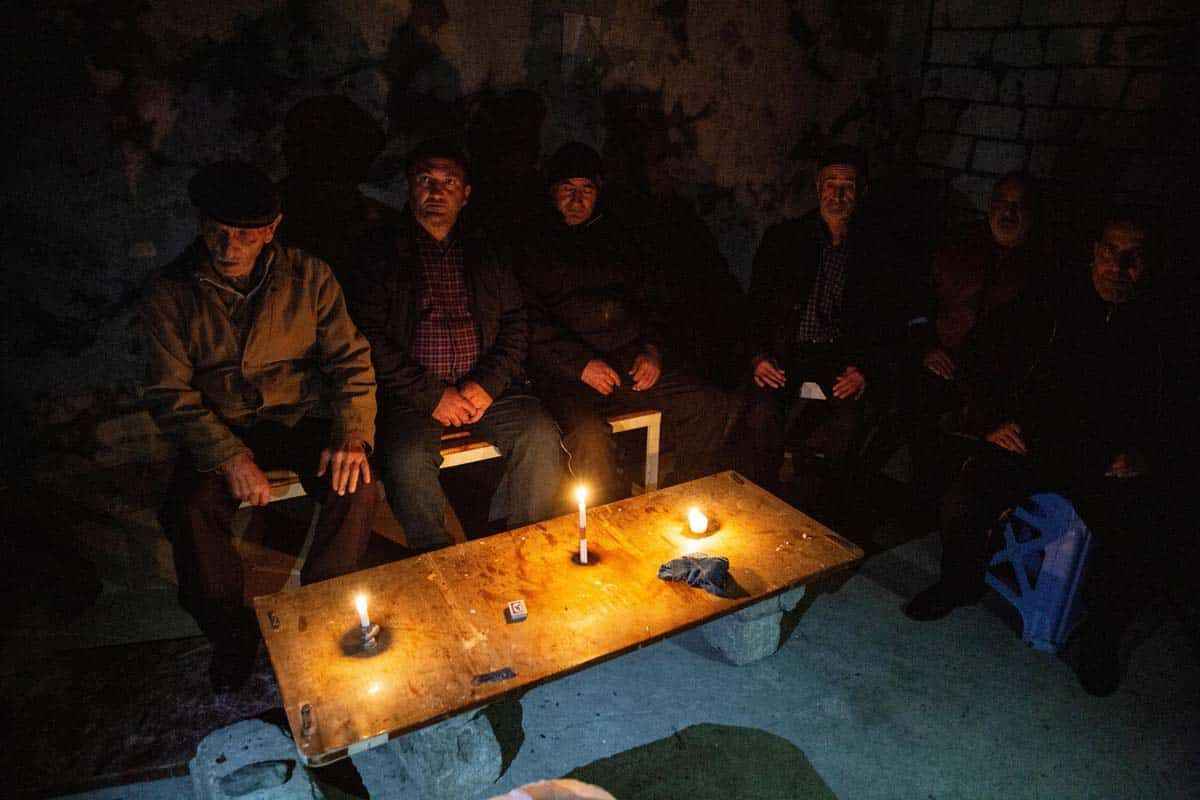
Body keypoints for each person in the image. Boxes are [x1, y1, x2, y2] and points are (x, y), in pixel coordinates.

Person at [904, 211, 1174, 697]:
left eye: (1133, 258)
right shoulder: (1051, 301)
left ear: (1147, 266)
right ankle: (960, 582)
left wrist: (1145, 456)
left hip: (1106, 462)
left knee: (1138, 535)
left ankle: (1101, 637)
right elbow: (982, 355)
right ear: (1095, 253)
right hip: (1033, 441)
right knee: (966, 496)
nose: (1119, 267)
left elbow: (1178, 409)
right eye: (1111, 253)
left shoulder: (1161, 328)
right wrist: (992, 420)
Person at [143, 161, 378, 691]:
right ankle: (231, 633)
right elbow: (168, 392)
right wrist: (228, 455)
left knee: (356, 484)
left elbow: (350, 361)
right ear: (202, 226)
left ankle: (319, 612)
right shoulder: (171, 293)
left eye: (245, 235)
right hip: (221, 424)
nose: (229, 247)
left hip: (300, 415)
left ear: (271, 230)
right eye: (218, 232)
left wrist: (351, 434)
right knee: (189, 509)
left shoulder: (309, 276)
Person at [345, 139, 563, 551]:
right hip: (413, 396)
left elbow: (516, 321)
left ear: (465, 194)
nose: (436, 192)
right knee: (406, 459)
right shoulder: (381, 252)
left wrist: (488, 384)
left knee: (538, 435)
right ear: (409, 186)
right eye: (426, 180)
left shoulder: (486, 249)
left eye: (449, 183)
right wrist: (432, 394)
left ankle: (528, 544)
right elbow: (367, 335)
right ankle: (436, 554)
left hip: (487, 390)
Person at [515, 142, 728, 503]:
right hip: (565, 374)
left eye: (586, 189)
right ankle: (606, 519)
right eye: (568, 189)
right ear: (552, 191)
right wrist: (580, 364)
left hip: (625, 360)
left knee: (707, 403)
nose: (577, 199)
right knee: (590, 440)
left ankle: (681, 497)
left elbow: (652, 301)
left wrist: (651, 350)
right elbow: (526, 320)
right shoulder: (530, 242)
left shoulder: (620, 238)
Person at [738, 145, 902, 502]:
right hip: (787, 350)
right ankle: (759, 498)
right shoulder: (785, 239)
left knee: (851, 418)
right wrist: (758, 357)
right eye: (831, 184)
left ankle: (816, 501)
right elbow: (755, 306)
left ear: (860, 191)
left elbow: (887, 320)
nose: (838, 195)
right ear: (818, 187)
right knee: (762, 411)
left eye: (848, 186)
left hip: (838, 356)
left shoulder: (875, 250)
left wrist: (864, 368)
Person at [901, 172, 1054, 517]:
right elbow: (917, 303)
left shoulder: (1042, 273)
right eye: (1003, 203)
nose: (1009, 213)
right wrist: (927, 347)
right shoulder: (956, 248)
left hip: (994, 386)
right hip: (941, 368)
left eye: (1019, 206)